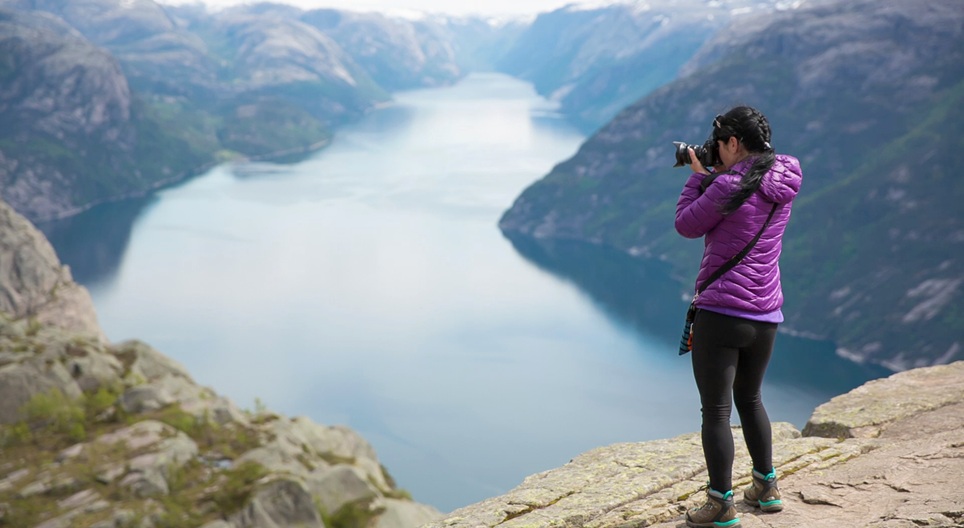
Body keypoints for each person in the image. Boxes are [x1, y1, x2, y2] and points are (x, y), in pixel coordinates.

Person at [674, 106, 802, 528]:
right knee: (751, 400)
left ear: (733, 143)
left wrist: (697, 177)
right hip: (766, 314)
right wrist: (715, 176)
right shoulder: (784, 177)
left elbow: (687, 225)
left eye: (721, 145)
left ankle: (721, 503)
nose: (717, 152)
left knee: (716, 411)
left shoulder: (725, 185)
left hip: (722, 313)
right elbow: (747, 189)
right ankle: (767, 487)